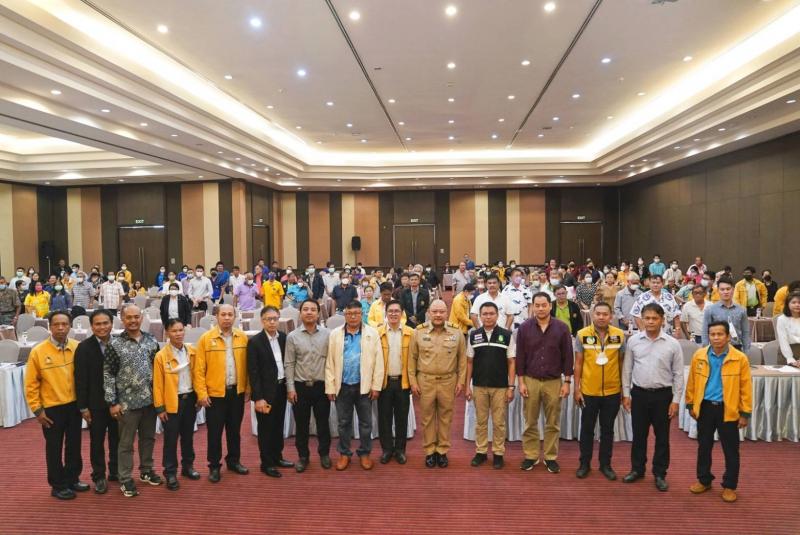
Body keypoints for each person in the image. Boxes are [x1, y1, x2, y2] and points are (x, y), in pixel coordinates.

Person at [684, 321, 752, 503]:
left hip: (728, 409)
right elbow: (692, 382)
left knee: (731, 450)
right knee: (704, 447)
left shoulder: (739, 358)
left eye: (720, 334)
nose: (716, 338)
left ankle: (730, 485)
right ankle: (704, 480)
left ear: (728, 336)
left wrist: (745, 413)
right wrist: (690, 404)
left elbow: (746, 388)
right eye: (712, 334)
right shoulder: (699, 355)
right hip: (705, 407)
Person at [24, 310, 87, 500]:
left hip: (74, 406)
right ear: (50, 327)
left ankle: (72, 478)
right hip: (51, 409)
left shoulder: (77, 347)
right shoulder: (38, 351)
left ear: (70, 326)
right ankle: (58, 485)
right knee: (54, 447)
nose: (61, 328)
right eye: (56, 324)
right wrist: (37, 410)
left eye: (64, 324)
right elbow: (31, 384)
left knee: (74, 445)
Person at [621, 303, 683, 492]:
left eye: (654, 318)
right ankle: (637, 469)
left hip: (663, 396)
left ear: (662, 320)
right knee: (638, 435)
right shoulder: (633, 341)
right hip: (639, 394)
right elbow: (627, 369)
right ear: (641, 319)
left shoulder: (672, 344)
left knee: (662, 437)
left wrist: (676, 400)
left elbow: (678, 374)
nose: (650, 322)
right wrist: (626, 394)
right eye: (647, 318)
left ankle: (660, 473)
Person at [102, 304, 162, 498]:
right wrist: (112, 402)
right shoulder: (115, 344)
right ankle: (125, 478)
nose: (133, 321)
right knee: (126, 443)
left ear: (142, 318)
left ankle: (146, 470)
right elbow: (108, 375)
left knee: (148, 438)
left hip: (149, 401)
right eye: (129, 317)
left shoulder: (151, 340)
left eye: (136, 317)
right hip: (126, 403)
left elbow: (159, 371)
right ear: (122, 319)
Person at [516, 292, 573, 473]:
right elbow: (520, 357)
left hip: (554, 381)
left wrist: (567, 382)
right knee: (530, 421)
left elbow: (568, 356)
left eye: (544, 305)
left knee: (553, 422)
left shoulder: (562, 328)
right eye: (537, 305)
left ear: (550, 306)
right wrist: (521, 382)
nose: (540, 308)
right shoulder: (524, 328)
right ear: (532, 307)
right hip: (530, 380)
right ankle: (531, 455)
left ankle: (550, 457)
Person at [193, 304, 249, 482]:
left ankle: (234, 461)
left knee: (234, 430)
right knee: (214, 433)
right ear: (216, 317)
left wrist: (247, 388)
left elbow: (248, 366)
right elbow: (199, 370)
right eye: (223, 314)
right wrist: (202, 393)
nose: (226, 318)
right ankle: (214, 466)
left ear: (235, 317)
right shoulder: (206, 339)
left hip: (236, 392)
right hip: (215, 395)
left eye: (230, 314)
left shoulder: (242, 337)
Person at [325, 301, 383, 471]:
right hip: (342, 386)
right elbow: (330, 362)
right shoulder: (335, 334)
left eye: (356, 313)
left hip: (364, 387)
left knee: (366, 423)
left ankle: (364, 453)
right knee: (343, 423)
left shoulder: (372, 333)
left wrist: (376, 386)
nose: (353, 317)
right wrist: (330, 387)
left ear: (362, 314)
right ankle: (344, 453)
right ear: (345, 315)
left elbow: (379, 362)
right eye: (349, 314)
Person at [409, 299, 466, 468]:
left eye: (441, 311)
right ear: (429, 312)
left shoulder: (457, 332)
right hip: (425, 381)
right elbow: (412, 359)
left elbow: (462, 360)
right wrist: (413, 382)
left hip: (448, 381)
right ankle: (429, 451)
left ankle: (442, 451)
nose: (438, 315)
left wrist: (461, 381)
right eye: (434, 312)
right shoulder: (418, 332)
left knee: (445, 418)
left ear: (447, 313)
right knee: (426, 418)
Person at [574, 302, 624, 481]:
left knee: (608, 430)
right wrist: (577, 388)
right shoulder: (582, 334)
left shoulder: (619, 335)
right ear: (592, 315)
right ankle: (584, 464)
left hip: (612, 391)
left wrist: (623, 389)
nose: (601, 317)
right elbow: (578, 363)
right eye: (598, 314)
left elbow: (622, 363)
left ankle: (605, 465)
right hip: (589, 391)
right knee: (587, 429)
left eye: (605, 314)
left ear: (611, 316)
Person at [243, 306, 292, 478]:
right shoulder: (255, 342)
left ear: (279, 319)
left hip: (281, 388)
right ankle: (267, 463)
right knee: (266, 429)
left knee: (278, 425)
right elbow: (253, 372)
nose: (272, 322)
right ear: (262, 321)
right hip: (265, 393)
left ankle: (278, 457)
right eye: (268, 319)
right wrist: (258, 398)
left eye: (275, 319)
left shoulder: (284, 338)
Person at [465, 302, 515, 469]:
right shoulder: (474, 335)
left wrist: (511, 387)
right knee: (480, 421)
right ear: (480, 316)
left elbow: (511, 362)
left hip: (500, 386)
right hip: (479, 385)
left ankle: (498, 453)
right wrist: (467, 386)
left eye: (491, 313)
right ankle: (481, 452)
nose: (488, 317)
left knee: (499, 422)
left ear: (497, 315)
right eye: (484, 314)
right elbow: (469, 362)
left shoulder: (506, 335)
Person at [74, 310, 118, 494]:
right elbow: (80, 380)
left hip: (117, 403)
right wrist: (83, 407)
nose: (102, 327)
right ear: (92, 326)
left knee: (118, 440)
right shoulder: (84, 348)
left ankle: (115, 471)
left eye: (105, 323)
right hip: (95, 405)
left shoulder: (119, 343)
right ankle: (99, 476)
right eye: (98, 324)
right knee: (96, 442)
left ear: (111, 324)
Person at [285, 299, 332, 472]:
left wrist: (332, 386)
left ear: (318, 313)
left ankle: (324, 454)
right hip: (300, 387)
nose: (309, 312)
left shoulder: (328, 334)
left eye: (313, 309)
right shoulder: (292, 336)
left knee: (323, 424)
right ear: (300, 313)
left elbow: (332, 361)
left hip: (322, 387)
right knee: (301, 425)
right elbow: (289, 363)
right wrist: (290, 388)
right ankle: (303, 456)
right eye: (306, 309)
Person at [153, 319, 200, 490]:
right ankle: (170, 472)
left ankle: (188, 466)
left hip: (190, 399)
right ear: (167, 333)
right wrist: (160, 408)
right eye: (174, 331)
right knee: (171, 439)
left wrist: (199, 397)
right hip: (172, 402)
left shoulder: (192, 351)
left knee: (188, 437)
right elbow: (157, 385)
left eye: (181, 330)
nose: (178, 334)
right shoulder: (161, 356)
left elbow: (198, 375)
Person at [376, 300, 414, 465]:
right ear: (386, 313)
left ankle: (400, 450)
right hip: (384, 383)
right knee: (384, 418)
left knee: (401, 419)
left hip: (402, 382)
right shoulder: (377, 333)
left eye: (396, 311)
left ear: (402, 313)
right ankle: (386, 450)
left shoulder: (411, 333)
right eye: (390, 311)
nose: (393, 314)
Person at [701, 277, 750, 352]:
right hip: (717, 348)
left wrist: (746, 352)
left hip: (736, 348)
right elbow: (705, 332)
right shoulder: (710, 310)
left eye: (728, 289)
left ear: (733, 289)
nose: (725, 292)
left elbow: (745, 333)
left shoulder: (741, 310)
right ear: (718, 290)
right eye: (722, 289)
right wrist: (705, 351)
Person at [776, 292, 800, 366]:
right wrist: (790, 358)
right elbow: (783, 340)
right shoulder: (781, 319)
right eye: (793, 302)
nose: (797, 305)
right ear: (787, 304)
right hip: (786, 353)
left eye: (799, 302)